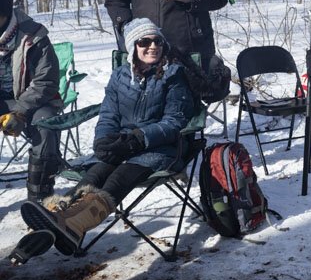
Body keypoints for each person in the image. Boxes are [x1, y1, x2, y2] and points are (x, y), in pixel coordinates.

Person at [19, 18, 194, 257]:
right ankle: (52, 221)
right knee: (94, 175)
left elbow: (174, 122)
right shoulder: (120, 76)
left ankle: (74, 225)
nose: (152, 46)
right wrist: (103, 141)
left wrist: (139, 138)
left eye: (157, 41)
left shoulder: (174, 75)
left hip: (159, 148)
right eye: (144, 42)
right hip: (122, 144)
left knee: (118, 178)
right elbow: (109, 115)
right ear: (133, 46)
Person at [0, 0, 63, 201]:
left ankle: (40, 198)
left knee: (46, 127)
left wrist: (20, 112)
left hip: (34, 102)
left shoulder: (34, 36)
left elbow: (46, 81)